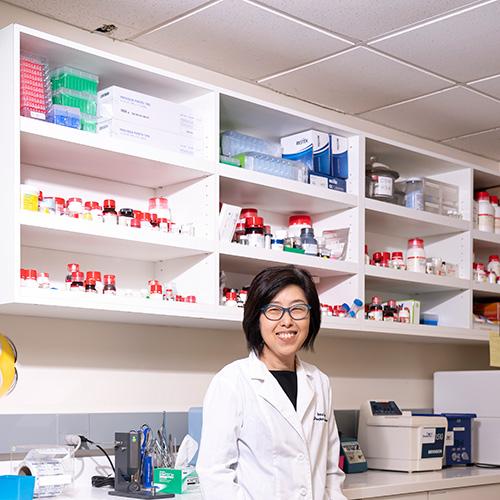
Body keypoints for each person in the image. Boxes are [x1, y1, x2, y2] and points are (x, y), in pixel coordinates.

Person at [196, 265, 346, 500]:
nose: (287, 321)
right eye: (274, 310)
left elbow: (330, 470)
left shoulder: (319, 382)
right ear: (257, 317)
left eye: (297, 309)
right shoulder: (232, 381)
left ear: (311, 316)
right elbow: (214, 474)